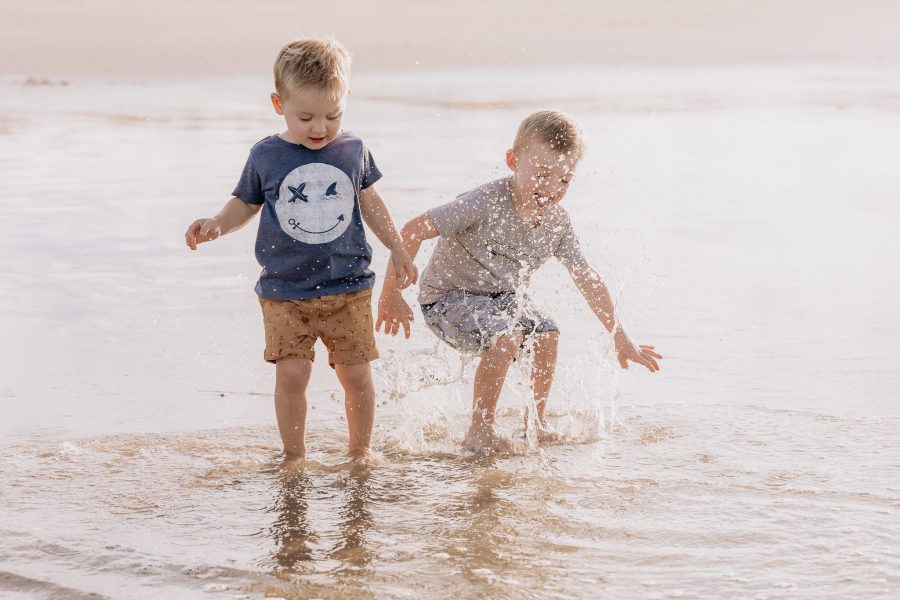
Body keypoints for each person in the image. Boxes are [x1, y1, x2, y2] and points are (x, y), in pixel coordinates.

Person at [185, 38, 416, 461]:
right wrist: (218, 223)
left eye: (333, 115)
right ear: (279, 105)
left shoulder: (353, 150)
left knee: (357, 375)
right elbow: (246, 203)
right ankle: (294, 455)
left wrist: (398, 247)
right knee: (292, 375)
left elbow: (370, 201)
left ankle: (360, 452)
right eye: (305, 116)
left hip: (349, 286)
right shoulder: (266, 155)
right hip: (284, 290)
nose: (319, 128)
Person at [377, 110, 661, 454]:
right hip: (446, 300)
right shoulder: (484, 202)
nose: (552, 188)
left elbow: (587, 277)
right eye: (542, 174)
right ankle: (479, 431)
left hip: (501, 301)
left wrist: (620, 337)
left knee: (547, 333)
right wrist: (391, 295)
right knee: (507, 334)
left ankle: (535, 423)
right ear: (513, 160)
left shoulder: (556, 224)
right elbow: (412, 230)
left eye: (565, 179)